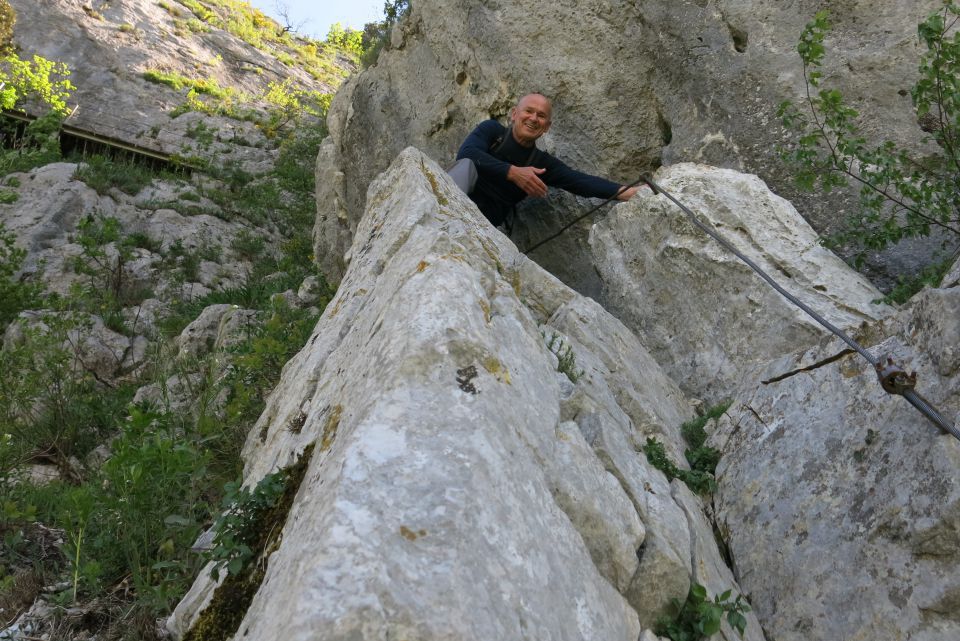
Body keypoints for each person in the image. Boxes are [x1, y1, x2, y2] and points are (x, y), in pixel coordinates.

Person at [450, 93, 642, 228]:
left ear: (547, 127)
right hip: (455, 198)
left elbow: (579, 182)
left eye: (541, 116)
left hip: (485, 220)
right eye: (529, 111)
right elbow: (467, 153)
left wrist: (628, 192)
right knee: (466, 165)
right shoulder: (492, 130)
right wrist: (513, 172)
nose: (533, 119)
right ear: (514, 114)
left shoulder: (540, 163)